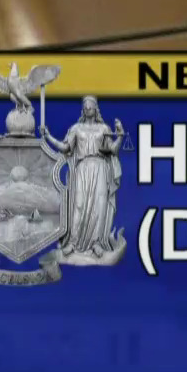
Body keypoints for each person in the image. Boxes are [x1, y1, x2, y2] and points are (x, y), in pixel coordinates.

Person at [45, 96, 125, 263]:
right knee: (78, 205)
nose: (88, 108)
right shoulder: (76, 128)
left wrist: (120, 136)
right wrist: (49, 136)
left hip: (100, 168)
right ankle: (72, 243)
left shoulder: (104, 128)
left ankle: (97, 243)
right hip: (82, 168)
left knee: (99, 206)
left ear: (96, 109)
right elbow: (66, 147)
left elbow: (113, 150)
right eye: (85, 105)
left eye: (91, 105)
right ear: (83, 109)